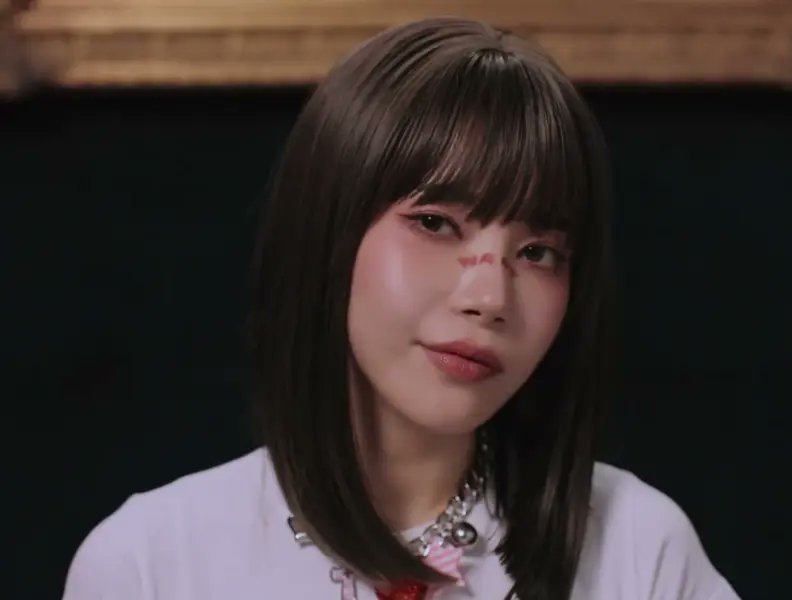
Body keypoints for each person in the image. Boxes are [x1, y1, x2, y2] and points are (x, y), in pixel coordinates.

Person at [62, 16, 741, 600]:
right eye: (436, 224)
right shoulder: (152, 563)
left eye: (538, 253)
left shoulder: (636, 548)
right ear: (328, 229)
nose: (488, 299)